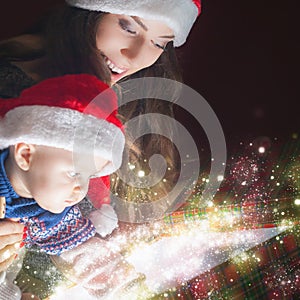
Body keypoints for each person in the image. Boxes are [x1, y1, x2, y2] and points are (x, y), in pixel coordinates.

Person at [0, 0, 202, 298]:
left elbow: (59, 237)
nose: (135, 56)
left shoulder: (106, 110)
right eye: (127, 26)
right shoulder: (12, 84)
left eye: (159, 44)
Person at [0, 73, 125, 299]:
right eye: (74, 173)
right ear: (25, 155)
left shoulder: (49, 210)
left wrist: (105, 274)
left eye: (88, 176)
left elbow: (77, 248)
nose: (81, 189)